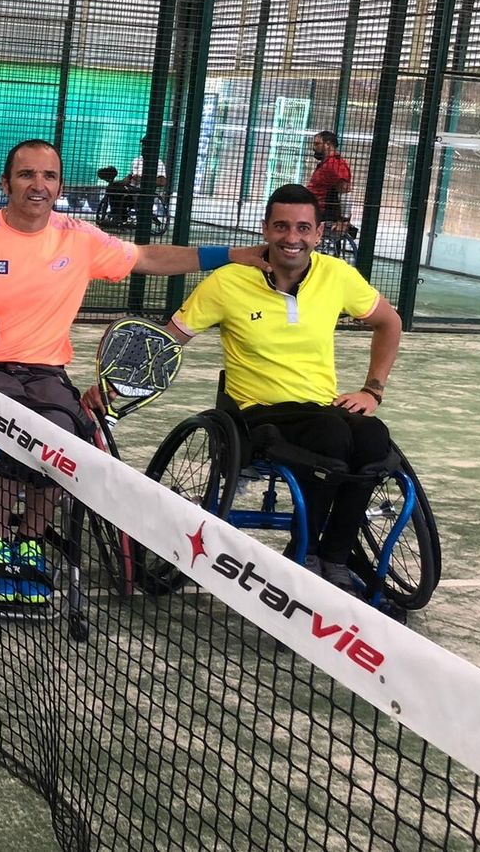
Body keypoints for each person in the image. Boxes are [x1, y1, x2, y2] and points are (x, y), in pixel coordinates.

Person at [0, 138, 269, 605]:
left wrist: (230, 255)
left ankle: (32, 545)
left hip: (46, 371)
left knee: (62, 438)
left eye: (49, 176)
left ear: (60, 185)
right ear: (6, 183)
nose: (37, 185)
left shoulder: (79, 237)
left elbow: (145, 257)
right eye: (26, 175)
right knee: (5, 433)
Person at [164, 183, 402, 592]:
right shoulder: (228, 282)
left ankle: (335, 558)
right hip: (257, 414)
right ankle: (303, 555)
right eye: (281, 226)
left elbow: (389, 322)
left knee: (374, 437)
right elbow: (169, 340)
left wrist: (372, 390)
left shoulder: (337, 275)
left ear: (318, 233)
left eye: (303, 228)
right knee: (332, 436)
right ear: (265, 229)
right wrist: (118, 385)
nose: (292, 238)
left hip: (324, 408)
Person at [108, 135, 169, 225]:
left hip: (145, 193)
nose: (144, 147)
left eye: (146, 145)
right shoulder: (136, 161)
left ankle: (120, 217)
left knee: (124, 193)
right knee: (112, 187)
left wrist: (144, 180)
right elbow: (132, 175)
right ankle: (116, 215)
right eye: (143, 145)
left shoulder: (159, 163)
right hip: (131, 189)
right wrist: (126, 179)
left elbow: (162, 182)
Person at [307, 130, 352, 226]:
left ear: (328, 144)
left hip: (323, 216)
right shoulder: (326, 164)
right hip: (315, 213)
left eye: (317, 144)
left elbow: (345, 191)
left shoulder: (334, 164)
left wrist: (344, 221)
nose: (314, 148)